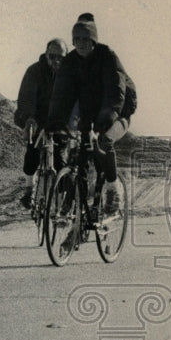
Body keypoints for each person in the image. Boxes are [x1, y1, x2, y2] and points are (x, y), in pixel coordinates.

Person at [46, 13, 132, 215]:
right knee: (80, 158)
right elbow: (61, 95)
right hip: (90, 114)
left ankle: (113, 189)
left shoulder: (108, 57)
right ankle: (82, 217)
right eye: (76, 39)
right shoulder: (70, 62)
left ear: (94, 40)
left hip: (118, 113)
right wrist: (55, 121)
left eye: (85, 39)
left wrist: (105, 120)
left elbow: (115, 94)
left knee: (104, 142)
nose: (81, 44)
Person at [14, 38, 69, 209]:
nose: (56, 61)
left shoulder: (69, 74)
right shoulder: (34, 71)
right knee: (33, 150)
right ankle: (29, 189)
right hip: (36, 117)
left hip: (59, 120)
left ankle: (62, 201)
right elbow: (26, 98)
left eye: (61, 57)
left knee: (61, 159)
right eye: (52, 56)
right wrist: (30, 119)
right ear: (46, 55)